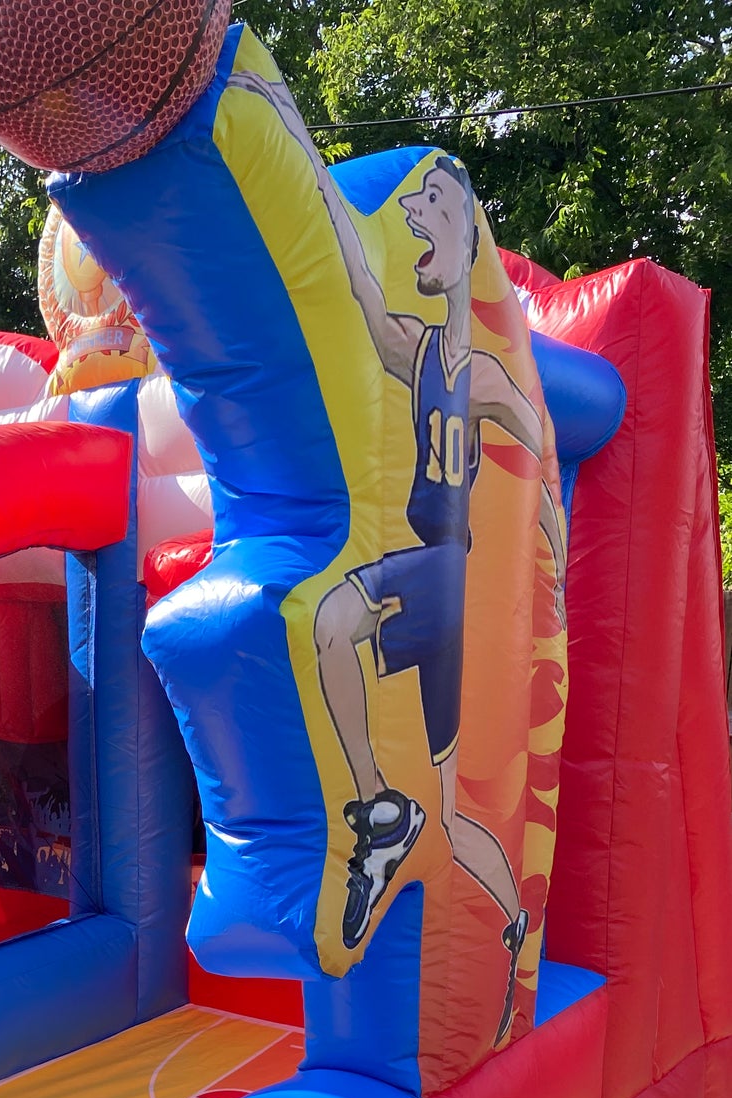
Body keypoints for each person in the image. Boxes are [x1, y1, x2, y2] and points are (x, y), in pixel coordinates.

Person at [229, 73, 567, 1042]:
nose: (416, 228)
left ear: (462, 241)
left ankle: (492, 911)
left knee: (451, 797)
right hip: (424, 571)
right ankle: (387, 817)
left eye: (429, 214)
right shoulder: (416, 352)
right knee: (338, 625)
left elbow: (533, 444)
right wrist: (283, 126)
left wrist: (546, 534)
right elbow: (355, 282)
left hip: (449, 578)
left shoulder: (486, 369)